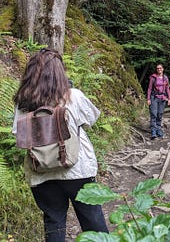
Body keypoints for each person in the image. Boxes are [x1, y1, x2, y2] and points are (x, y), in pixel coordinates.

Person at [12, 48, 109, 241]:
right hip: (77, 169)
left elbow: (17, 135)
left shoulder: (22, 102)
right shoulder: (73, 96)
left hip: (40, 173)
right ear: (59, 72)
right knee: (92, 220)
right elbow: (91, 120)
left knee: (53, 222)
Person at [146, 63, 170, 139]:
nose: (159, 69)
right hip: (154, 98)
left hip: (162, 98)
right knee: (154, 114)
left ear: (163, 69)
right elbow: (149, 88)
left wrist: (169, 98)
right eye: (157, 68)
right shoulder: (153, 77)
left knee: (160, 114)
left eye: (160, 68)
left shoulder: (165, 78)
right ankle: (153, 131)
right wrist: (148, 99)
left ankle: (158, 129)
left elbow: (167, 88)